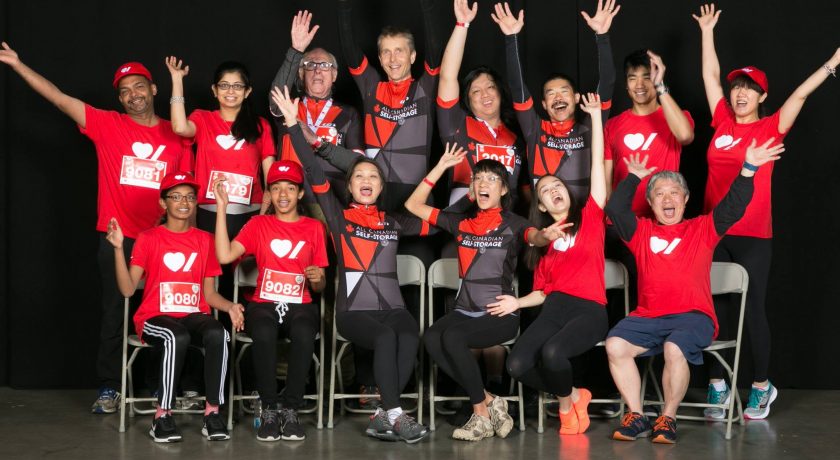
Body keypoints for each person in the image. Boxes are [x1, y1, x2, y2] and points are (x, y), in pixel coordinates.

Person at [0, 43, 193, 413]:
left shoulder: (178, 133)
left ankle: (162, 388)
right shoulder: (107, 124)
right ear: (119, 99)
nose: (132, 95)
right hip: (119, 240)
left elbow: (188, 189)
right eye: (124, 91)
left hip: (163, 240)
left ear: (154, 89)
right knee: (116, 313)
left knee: (167, 314)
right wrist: (18, 65)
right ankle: (110, 386)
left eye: (138, 86)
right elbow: (58, 98)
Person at [694, 3, 840, 420]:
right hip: (713, 230)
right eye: (736, 87)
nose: (739, 94)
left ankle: (760, 385)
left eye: (749, 89)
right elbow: (708, 76)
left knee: (753, 308)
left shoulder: (770, 127)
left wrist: (832, 64)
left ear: (761, 97)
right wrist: (707, 31)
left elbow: (800, 94)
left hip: (755, 233)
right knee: (712, 306)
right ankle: (719, 385)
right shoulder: (721, 120)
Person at [272, 86, 430, 444]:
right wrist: (294, 125)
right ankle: (394, 413)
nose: (365, 181)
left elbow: (437, 220)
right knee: (387, 336)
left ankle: (382, 414)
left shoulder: (394, 221)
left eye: (373, 177)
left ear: (380, 186)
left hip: (393, 309)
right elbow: (312, 166)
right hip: (354, 312)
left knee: (407, 332)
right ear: (351, 185)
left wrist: (439, 171)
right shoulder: (338, 217)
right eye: (358, 176)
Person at [604, 140, 785, 444]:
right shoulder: (641, 232)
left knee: (675, 349)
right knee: (615, 345)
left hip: (693, 317)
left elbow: (733, 206)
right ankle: (636, 415)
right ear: (650, 203)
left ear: (686, 199)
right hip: (648, 316)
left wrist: (749, 167)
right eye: (659, 193)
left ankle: (668, 417)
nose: (667, 199)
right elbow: (614, 209)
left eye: (674, 192)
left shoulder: (702, 228)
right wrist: (634, 176)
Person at [404, 145, 564, 441]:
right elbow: (413, 206)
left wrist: (546, 235)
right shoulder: (461, 222)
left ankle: (479, 415)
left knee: (452, 338)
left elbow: (535, 236)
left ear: (504, 189)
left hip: (499, 313)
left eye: (491, 179)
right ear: (472, 190)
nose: (483, 184)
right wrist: (440, 167)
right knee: (430, 338)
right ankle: (490, 401)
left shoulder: (514, 224)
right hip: (465, 311)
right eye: (477, 179)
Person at [496, 93, 608, 436]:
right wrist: (518, 301)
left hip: (590, 310)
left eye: (557, 185)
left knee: (553, 352)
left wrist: (595, 119)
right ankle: (573, 395)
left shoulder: (590, 216)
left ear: (568, 193)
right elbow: (543, 293)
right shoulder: (542, 247)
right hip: (555, 308)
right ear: (542, 205)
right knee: (515, 364)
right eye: (545, 190)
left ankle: (565, 406)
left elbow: (598, 163)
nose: (553, 190)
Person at [106, 171, 245, 442]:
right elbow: (126, 289)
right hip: (154, 317)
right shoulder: (149, 238)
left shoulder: (204, 240)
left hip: (192, 314)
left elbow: (208, 294)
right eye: (176, 196)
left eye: (190, 197)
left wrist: (229, 306)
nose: (184, 202)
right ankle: (163, 415)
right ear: (163, 203)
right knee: (175, 336)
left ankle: (212, 411)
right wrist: (118, 249)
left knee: (220, 333)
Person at [213, 160, 327, 441]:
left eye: (290, 188)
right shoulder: (258, 224)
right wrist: (221, 208)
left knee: (303, 332)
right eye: (276, 188)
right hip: (263, 303)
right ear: (270, 194)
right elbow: (224, 256)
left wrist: (316, 277)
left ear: (300, 193)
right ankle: (269, 409)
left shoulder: (313, 228)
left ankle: (291, 410)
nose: (283, 194)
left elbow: (321, 284)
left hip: (301, 304)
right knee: (263, 331)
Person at [493, 0, 617, 201]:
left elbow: (608, 83)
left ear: (577, 98)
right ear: (543, 104)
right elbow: (517, 88)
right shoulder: (535, 129)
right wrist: (510, 39)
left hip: (584, 221)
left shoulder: (590, 125)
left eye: (564, 92)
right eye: (551, 94)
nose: (558, 97)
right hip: (544, 221)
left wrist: (602, 36)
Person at [336, 0, 441, 214]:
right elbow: (349, 48)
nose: (393, 59)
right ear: (380, 58)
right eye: (386, 52)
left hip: (415, 196)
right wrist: (344, 7)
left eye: (399, 51)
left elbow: (435, 50)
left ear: (412, 56)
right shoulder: (371, 86)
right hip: (377, 197)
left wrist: (427, 7)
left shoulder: (424, 89)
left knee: (418, 249)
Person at [166, 57, 275, 235]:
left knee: (248, 264)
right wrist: (177, 79)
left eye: (238, 86)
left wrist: (263, 215)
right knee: (211, 263)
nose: (230, 91)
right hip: (209, 213)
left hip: (250, 213)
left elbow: (271, 177)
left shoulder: (261, 125)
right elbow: (179, 127)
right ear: (214, 90)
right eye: (224, 85)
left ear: (247, 92)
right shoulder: (202, 119)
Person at [270, 10, 364, 214]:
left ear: (334, 74)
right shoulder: (289, 106)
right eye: (310, 65)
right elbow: (276, 96)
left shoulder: (348, 114)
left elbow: (359, 165)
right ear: (301, 74)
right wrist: (296, 51)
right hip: (289, 204)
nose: (317, 70)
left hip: (331, 204)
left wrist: (318, 143)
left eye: (325, 65)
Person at [437, 0, 524, 207]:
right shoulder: (457, 126)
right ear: (467, 100)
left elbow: (526, 191)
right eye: (476, 91)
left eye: (490, 87)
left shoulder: (517, 137)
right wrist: (462, 25)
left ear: (501, 92)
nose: (485, 94)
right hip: (463, 222)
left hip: (505, 227)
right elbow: (447, 77)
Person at [604, 50, 694, 215]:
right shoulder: (612, 125)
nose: (639, 85)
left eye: (646, 77)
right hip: (622, 221)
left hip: (662, 218)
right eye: (633, 78)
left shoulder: (675, 117)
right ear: (626, 84)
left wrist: (660, 86)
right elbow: (606, 181)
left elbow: (686, 136)